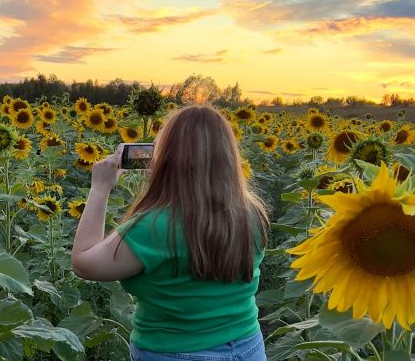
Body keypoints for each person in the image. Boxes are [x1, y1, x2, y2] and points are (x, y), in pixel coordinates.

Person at [71, 104, 270, 361]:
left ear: (167, 159)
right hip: (248, 347)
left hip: (177, 352)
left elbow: (84, 262)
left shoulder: (154, 226)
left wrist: (99, 189)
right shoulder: (252, 212)